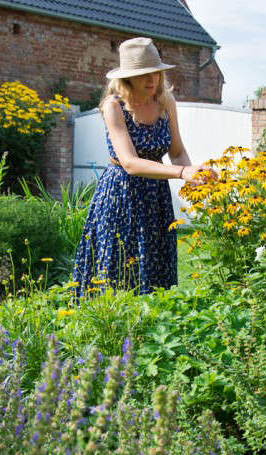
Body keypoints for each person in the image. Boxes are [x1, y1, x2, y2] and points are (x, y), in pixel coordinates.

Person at [72, 37, 214, 297]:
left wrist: (194, 177)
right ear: (127, 78)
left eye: (156, 74)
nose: (153, 81)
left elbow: (177, 151)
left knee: (155, 273)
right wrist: (182, 172)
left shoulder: (165, 102)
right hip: (121, 194)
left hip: (156, 197)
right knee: (117, 271)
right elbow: (130, 163)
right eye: (144, 75)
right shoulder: (114, 106)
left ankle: (149, 327)